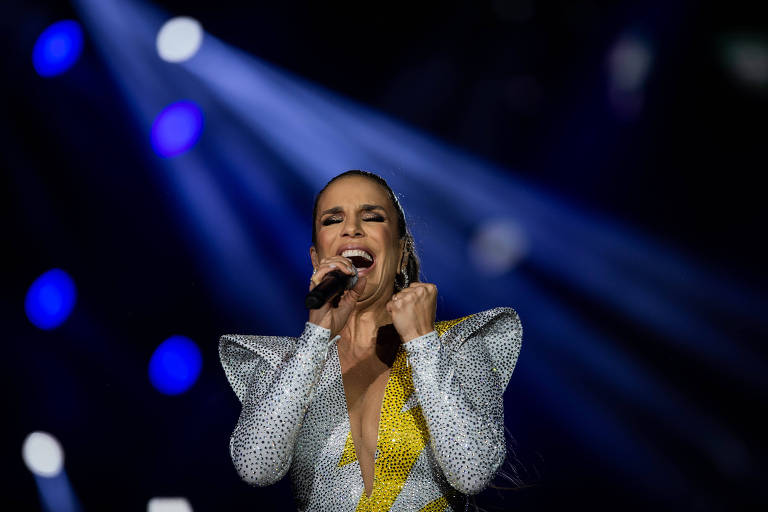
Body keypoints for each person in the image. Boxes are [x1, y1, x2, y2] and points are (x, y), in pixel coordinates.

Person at [219, 170, 522, 511]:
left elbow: (471, 471)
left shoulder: (456, 346)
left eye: (372, 217)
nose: (351, 229)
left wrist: (422, 344)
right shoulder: (282, 364)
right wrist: (316, 337)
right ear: (316, 259)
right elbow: (255, 467)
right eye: (333, 220)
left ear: (401, 254)